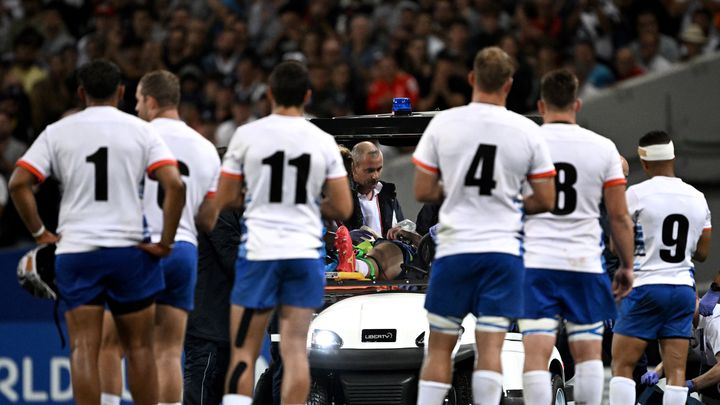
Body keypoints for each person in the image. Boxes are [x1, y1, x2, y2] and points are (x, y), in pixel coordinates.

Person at [8, 59, 185, 405]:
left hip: (77, 252)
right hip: (129, 252)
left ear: (80, 92)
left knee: (84, 347)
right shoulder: (141, 130)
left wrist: (40, 232)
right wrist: (165, 241)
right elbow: (174, 185)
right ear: (121, 92)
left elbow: (18, 183)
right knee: (140, 348)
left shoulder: (57, 131)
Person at [412, 46, 557, 405]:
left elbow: (423, 190)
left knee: (440, 348)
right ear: (508, 84)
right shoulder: (527, 130)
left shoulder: (443, 123)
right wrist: (507, 198)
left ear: (472, 79)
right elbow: (546, 199)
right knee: (490, 346)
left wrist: (458, 188)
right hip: (503, 252)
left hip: (455, 250)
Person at [214, 61, 353, 405]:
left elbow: (226, 198)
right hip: (303, 256)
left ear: (270, 94)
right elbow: (342, 206)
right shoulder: (322, 141)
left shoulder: (247, 135)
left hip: (260, 254)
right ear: (307, 95)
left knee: (244, 351)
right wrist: (304, 204)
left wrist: (258, 198)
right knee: (294, 352)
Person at [97, 70, 221, 405]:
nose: (136, 107)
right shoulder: (207, 148)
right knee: (168, 351)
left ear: (150, 100)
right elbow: (209, 219)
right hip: (183, 251)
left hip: (139, 248)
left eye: (138, 100)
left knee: (110, 344)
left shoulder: (131, 138)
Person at [518, 69, 635, 405]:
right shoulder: (603, 148)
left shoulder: (526, 144)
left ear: (541, 104)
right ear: (577, 104)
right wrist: (626, 265)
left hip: (536, 262)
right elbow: (618, 215)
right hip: (584, 261)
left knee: (537, 353)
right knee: (588, 354)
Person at [609, 130, 712, 405]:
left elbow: (613, 245)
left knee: (622, 365)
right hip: (682, 290)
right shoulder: (698, 198)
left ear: (643, 162)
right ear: (673, 157)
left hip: (645, 287)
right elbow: (702, 252)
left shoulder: (636, 194)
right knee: (676, 370)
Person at [183, 207, 243, 405]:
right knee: (201, 382)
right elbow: (231, 256)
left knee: (218, 385)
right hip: (207, 318)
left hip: (222, 316)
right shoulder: (219, 207)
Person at [345, 141, 404, 238]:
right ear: (353, 167)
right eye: (370, 170)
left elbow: (400, 227)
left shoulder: (388, 195)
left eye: (379, 169)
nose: (375, 176)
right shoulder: (343, 198)